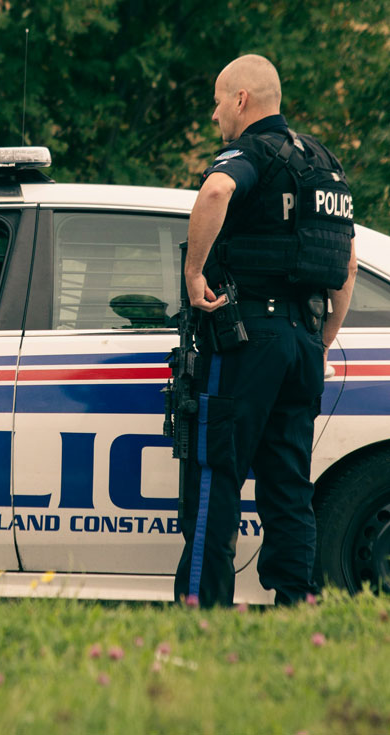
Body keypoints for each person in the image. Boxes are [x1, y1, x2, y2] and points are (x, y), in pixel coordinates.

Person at [174, 54, 357, 607]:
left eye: (216, 102)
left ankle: (203, 607)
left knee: (215, 471)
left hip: (247, 337)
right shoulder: (325, 165)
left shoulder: (250, 153)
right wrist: (320, 339)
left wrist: (193, 272)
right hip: (303, 340)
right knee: (288, 483)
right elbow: (345, 265)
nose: (213, 116)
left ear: (241, 101)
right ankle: (296, 603)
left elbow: (214, 193)